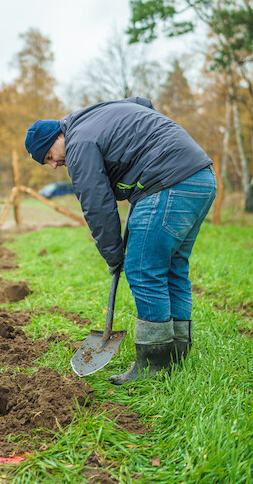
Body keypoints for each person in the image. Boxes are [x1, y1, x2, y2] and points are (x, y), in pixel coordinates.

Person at [25, 97, 216, 385]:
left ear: (57, 137)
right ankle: (176, 354)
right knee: (174, 268)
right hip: (200, 179)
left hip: (169, 183)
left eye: (49, 156)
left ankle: (153, 364)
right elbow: (144, 104)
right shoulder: (94, 117)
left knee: (143, 270)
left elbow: (97, 205)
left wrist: (114, 255)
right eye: (47, 163)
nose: (53, 165)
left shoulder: (79, 144)